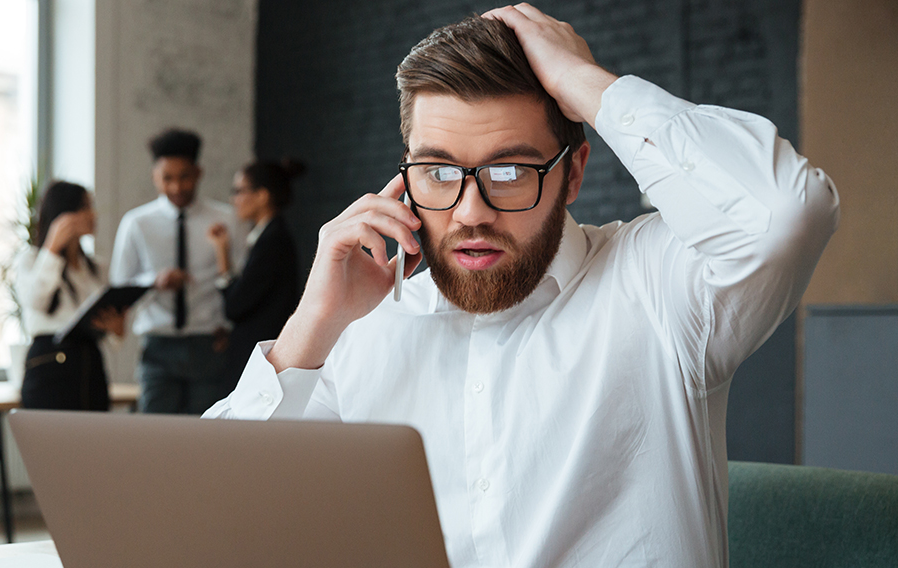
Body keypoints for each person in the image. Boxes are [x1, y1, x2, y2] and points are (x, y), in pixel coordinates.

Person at [205, 5, 839, 567]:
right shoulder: (365, 327)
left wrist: (585, 86)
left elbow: (785, 213)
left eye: (509, 171)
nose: (470, 211)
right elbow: (213, 508)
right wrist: (309, 330)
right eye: (438, 171)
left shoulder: (657, 287)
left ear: (573, 175)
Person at [109, 129, 243, 414]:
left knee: (205, 441)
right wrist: (153, 282)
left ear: (198, 173)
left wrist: (229, 328)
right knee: (155, 443)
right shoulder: (136, 223)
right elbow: (119, 287)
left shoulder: (226, 220)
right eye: (167, 178)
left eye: (184, 176)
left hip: (210, 345)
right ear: (154, 177)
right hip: (157, 346)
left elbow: (241, 279)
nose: (176, 187)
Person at [15, 180, 124, 411]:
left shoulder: (96, 267)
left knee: (94, 441)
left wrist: (116, 327)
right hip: (49, 365)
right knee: (48, 443)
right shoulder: (31, 259)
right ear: (64, 214)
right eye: (84, 207)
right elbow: (36, 300)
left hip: (90, 366)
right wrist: (52, 247)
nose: (92, 214)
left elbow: (114, 336)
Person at [207, 159, 303, 393]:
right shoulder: (268, 236)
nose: (234, 199)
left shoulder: (272, 241)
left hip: (259, 358)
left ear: (262, 196)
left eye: (239, 191)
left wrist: (221, 254)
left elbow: (235, 306)